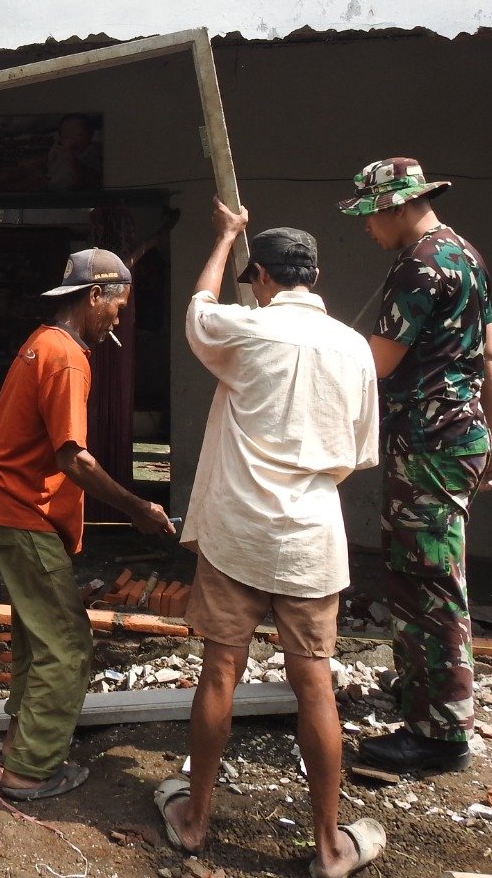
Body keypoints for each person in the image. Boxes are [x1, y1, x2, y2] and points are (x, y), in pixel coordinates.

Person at [154, 198, 386, 877]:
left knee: (220, 671)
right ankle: (326, 845)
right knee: (313, 683)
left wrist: (223, 234)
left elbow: (198, 306)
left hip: (238, 531)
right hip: (313, 534)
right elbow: (356, 454)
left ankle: (194, 820)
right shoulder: (354, 347)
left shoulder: (247, 330)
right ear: (314, 276)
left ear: (259, 277)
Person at [0, 247, 175, 800]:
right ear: (94, 296)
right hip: (17, 508)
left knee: (38, 635)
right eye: (118, 306)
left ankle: (18, 743)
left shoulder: (43, 343)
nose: (119, 318)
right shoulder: (67, 357)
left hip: (5, 504)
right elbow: (73, 459)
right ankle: (30, 771)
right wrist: (138, 509)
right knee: (68, 643)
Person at [337, 158, 492, 775]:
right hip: (460, 436)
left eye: (369, 216)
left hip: (428, 443)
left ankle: (440, 736)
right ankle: (424, 697)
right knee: (427, 574)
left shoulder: (419, 268)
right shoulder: (467, 255)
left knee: (428, 581)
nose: (366, 229)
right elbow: (488, 355)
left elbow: (376, 364)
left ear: (399, 206)